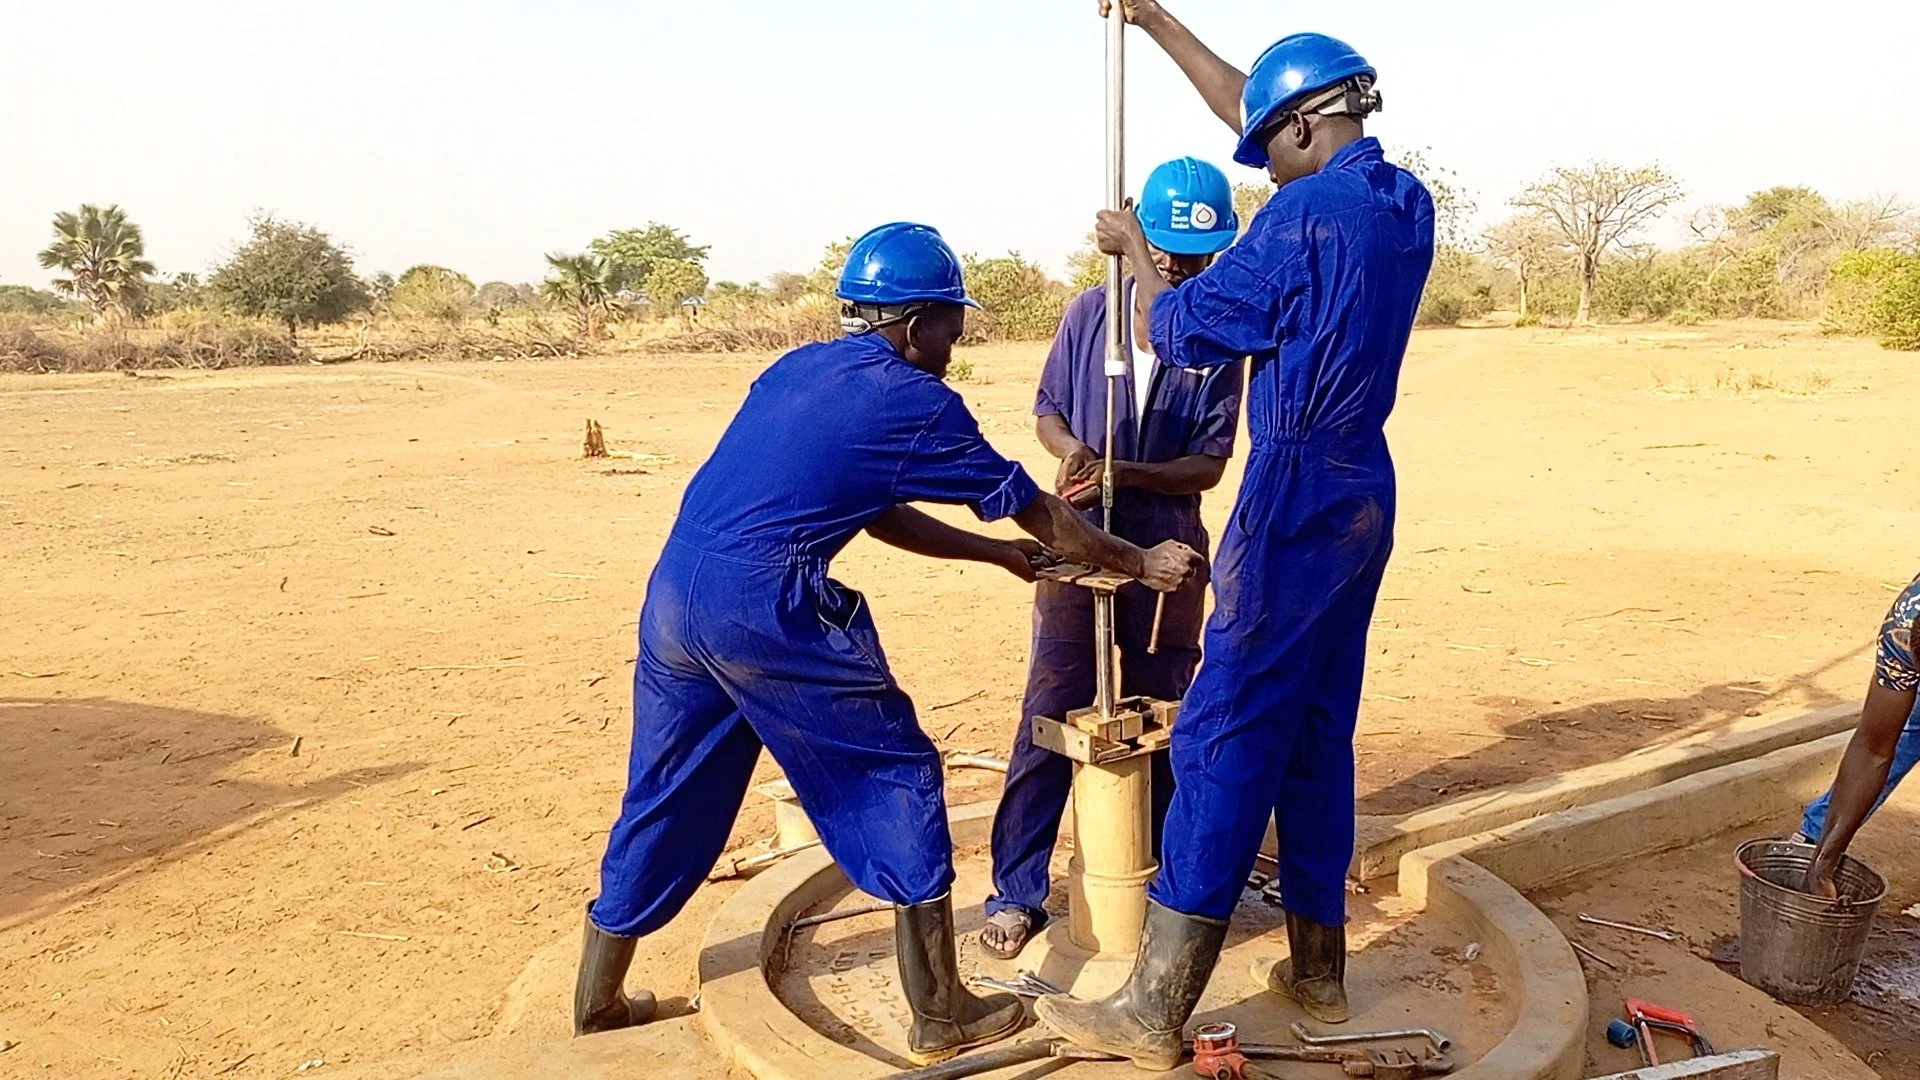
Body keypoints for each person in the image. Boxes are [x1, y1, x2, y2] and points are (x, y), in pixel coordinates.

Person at [573, 221, 1206, 1066]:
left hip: (679, 599)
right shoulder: (915, 401)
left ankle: (600, 999)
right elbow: (1044, 511)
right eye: (951, 324)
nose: (956, 341)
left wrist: (996, 559)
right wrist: (1136, 561)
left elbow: (872, 507)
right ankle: (941, 1010)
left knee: (668, 788)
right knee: (895, 773)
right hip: (771, 607)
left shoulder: (799, 369)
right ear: (912, 326)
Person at [1035, 3, 1434, 1069]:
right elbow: (1259, 103)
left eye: (1268, 148)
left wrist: (1138, 258)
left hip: (1296, 491)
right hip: (1365, 489)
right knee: (1315, 731)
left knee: (1221, 734)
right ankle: (1319, 971)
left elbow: (1185, 332)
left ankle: (1152, 1010)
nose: (1260, 166)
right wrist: (1157, 19)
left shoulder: (1296, 225)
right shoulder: (1402, 201)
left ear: (1305, 131)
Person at [980, 157, 1244, 960]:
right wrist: (1075, 454)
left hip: (1166, 550)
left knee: (1167, 714)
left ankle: (1167, 879)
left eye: (1191, 256)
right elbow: (1048, 412)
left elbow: (1208, 464)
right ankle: (1017, 890)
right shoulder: (1087, 316)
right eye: (1161, 249)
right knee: (1051, 710)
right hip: (1081, 542)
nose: (1175, 265)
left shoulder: (1215, 340)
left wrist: (1126, 473)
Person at [1800, 573, 1920, 895]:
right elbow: (1873, 750)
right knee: (1909, 725)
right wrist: (1824, 863)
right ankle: (1815, 838)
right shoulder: (1905, 628)